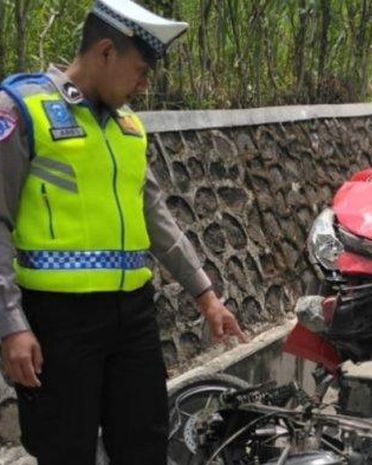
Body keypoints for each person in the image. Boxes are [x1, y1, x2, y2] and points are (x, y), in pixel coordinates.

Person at [0, 1, 247, 463]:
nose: (144, 83)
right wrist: (10, 325)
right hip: (57, 322)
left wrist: (206, 296)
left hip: (133, 317)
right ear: (106, 51)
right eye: (140, 70)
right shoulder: (22, 108)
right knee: (64, 451)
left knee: (144, 444)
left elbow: (156, 217)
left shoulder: (129, 128)